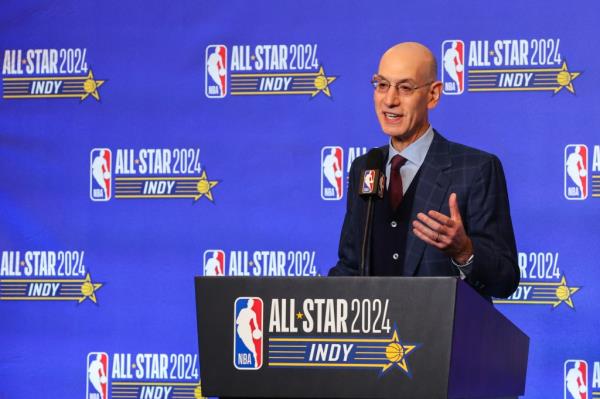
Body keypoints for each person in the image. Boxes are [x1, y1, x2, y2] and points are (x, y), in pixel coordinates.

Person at [328, 42, 519, 299]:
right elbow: (350, 267)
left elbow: (505, 280)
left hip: (442, 335)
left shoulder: (476, 169)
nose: (390, 100)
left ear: (433, 95)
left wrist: (465, 252)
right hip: (375, 337)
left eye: (405, 88)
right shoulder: (364, 167)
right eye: (382, 85)